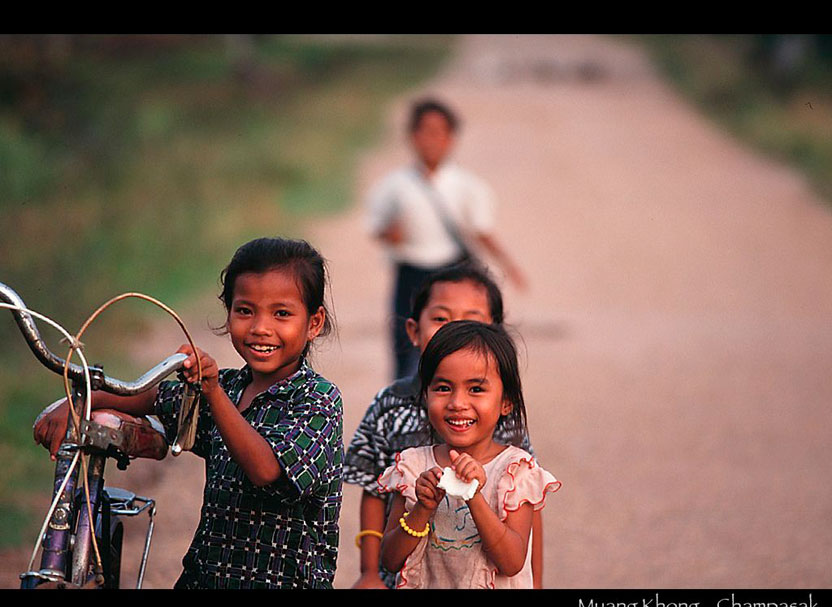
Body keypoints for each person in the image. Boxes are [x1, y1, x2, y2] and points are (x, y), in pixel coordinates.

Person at [33, 237, 344, 589]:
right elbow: (146, 395)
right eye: (245, 310)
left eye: (281, 314)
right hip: (206, 578)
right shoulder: (229, 388)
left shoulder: (318, 399)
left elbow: (266, 470)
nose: (260, 327)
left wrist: (212, 392)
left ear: (314, 323)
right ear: (228, 313)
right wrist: (79, 402)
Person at [344, 262, 543, 588]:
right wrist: (369, 572)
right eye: (441, 318)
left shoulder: (511, 450)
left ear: (493, 330)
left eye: (471, 320)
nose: (456, 330)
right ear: (413, 330)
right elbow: (373, 489)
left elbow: (527, 510)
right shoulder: (393, 413)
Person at [378, 320, 560, 589]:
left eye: (476, 389)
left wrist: (473, 496)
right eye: (442, 388)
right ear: (425, 395)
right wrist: (422, 508)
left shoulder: (515, 470)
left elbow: (512, 562)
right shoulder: (413, 466)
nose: (457, 403)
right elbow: (390, 560)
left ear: (506, 401)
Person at [367, 97, 528, 379]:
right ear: (412, 137)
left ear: (451, 138)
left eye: (440, 132)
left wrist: (508, 265)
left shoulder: (468, 186)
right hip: (410, 274)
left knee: (457, 345)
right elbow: (378, 229)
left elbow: (482, 231)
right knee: (406, 345)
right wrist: (390, 234)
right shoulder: (394, 186)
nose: (432, 139)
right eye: (425, 131)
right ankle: (403, 408)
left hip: (452, 271)